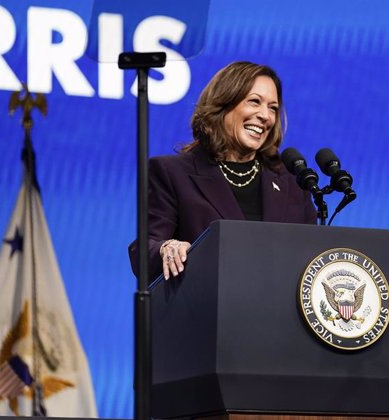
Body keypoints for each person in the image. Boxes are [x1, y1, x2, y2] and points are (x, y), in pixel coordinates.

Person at [129, 61, 317, 280]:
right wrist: (166, 248)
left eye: (272, 108)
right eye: (254, 102)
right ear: (223, 104)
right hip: (207, 308)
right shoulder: (172, 173)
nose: (265, 116)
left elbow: (312, 255)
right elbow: (145, 249)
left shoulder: (292, 181)